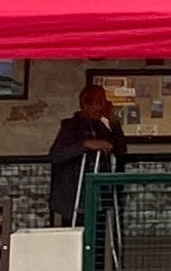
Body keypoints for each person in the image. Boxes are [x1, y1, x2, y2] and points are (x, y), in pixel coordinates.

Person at [46, 79, 128, 227]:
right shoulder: (70, 126)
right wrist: (85, 144)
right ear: (86, 105)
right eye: (96, 103)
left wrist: (114, 121)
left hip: (99, 197)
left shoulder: (102, 127)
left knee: (99, 238)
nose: (100, 107)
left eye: (102, 103)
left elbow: (121, 150)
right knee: (76, 239)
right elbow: (56, 155)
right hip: (75, 197)